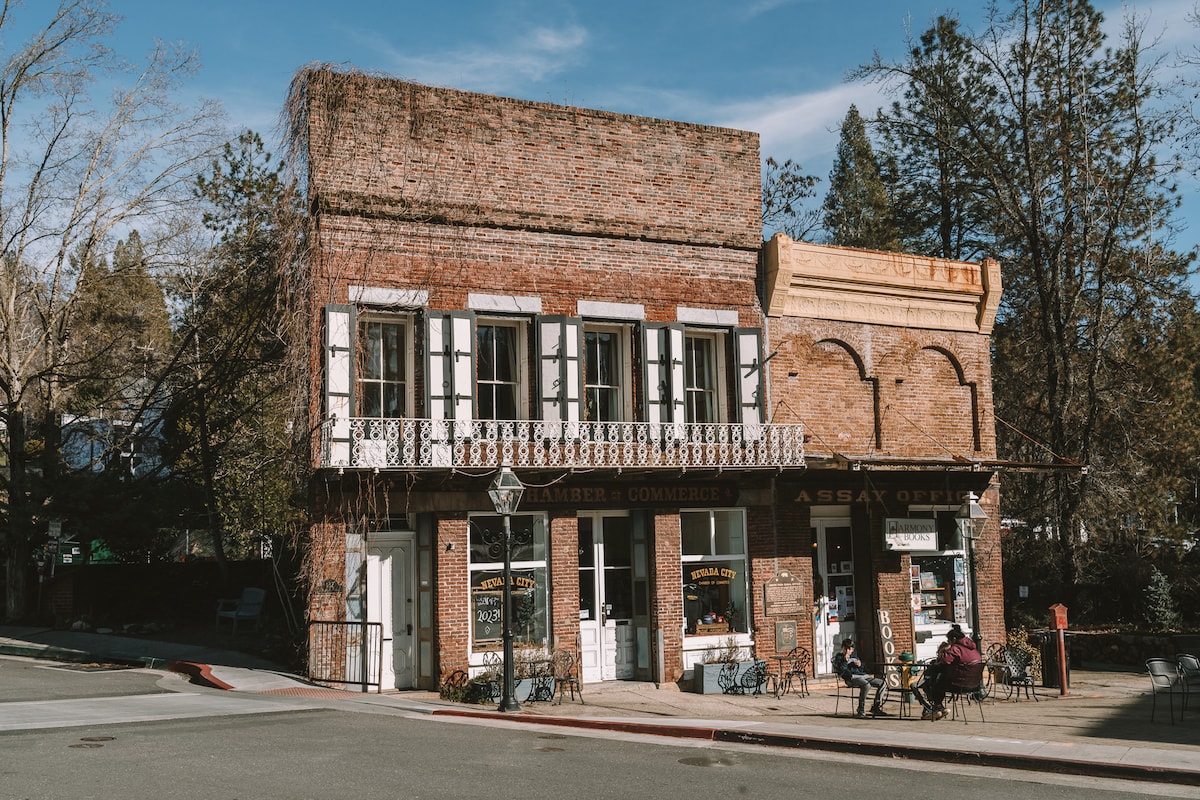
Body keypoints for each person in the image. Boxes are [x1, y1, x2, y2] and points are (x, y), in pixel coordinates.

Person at [912, 624, 982, 720]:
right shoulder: (974, 649)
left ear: (953, 639)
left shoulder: (956, 648)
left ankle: (936, 707)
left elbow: (944, 661)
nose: (949, 643)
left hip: (959, 683)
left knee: (934, 680)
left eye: (949, 640)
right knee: (937, 680)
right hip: (974, 684)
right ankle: (936, 707)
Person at [831, 638, 889, 718]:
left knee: (882, 683)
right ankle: (860, 709)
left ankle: (876, 707)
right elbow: (841, 671)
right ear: (842, 648)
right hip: (851, 678)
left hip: (863, 676)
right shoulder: (839, 657)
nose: (847, 651)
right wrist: (844, 661)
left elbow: (862, 669)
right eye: (845, 649)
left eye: (849, 649)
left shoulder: (854, 656)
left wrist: (860, 665)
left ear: (852, 649)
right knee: (866, 685)